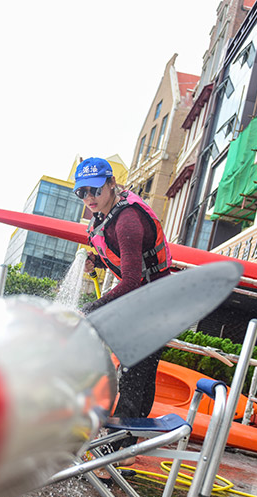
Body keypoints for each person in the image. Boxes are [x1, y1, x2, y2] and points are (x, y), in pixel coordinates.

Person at [74, 157, 172, 476]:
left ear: (111, 184)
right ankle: (126, 448)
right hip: (146, 298)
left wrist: (90, 309)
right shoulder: (105, 215)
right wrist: (97, 262)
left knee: (134, 373)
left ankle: (116, 451)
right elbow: (125, 261)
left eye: (95, 190)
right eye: (81, 193)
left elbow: (130, 279)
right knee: (138, 373)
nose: (89, 198)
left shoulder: (127, 219)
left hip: (155, 301)